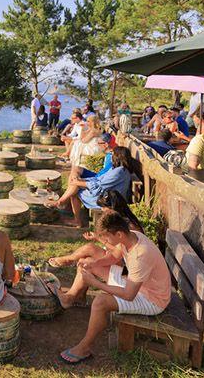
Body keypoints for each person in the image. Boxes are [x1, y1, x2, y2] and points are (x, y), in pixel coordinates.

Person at [55, 210, 171, 364]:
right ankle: (72, 298)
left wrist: (95, 283)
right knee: (88, 265)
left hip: (153, 299)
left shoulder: (140, 255)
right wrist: (94, 263)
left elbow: (129, 295)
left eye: (106, 237)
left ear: (119, 234)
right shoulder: (131, 237)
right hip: (139, 286)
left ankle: (84, 348)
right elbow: (114, 256)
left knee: (100, 302)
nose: (104, 240)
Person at [57, 146, 137, 227]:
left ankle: (66, 209)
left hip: (108, 200)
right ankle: (61, 202)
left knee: (75, 189)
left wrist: (79, 182)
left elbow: (99, 186)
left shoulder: (119, 172)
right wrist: (82, 181)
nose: (111, 156)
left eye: (113, 154)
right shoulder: (118, 169)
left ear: (117, 156)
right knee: (76, 184)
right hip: (106, 194)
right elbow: (98, 180)